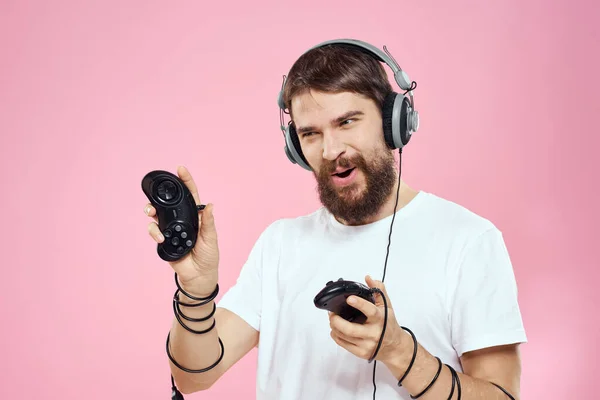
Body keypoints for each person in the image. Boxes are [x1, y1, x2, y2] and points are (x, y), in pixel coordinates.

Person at [144, 39, 527, 400]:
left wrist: (400, 352)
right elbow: (193, 377)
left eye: (347, 122)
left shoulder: (468, 240)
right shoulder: (280, 243)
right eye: (310, 133)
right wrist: (195, 290)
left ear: (393, 120)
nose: (331, 150)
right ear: (295, 146)